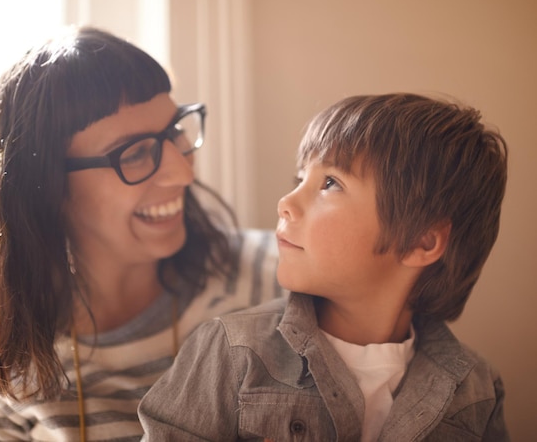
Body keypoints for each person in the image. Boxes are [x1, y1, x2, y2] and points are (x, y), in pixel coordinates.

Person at [0, 26, 282, 441]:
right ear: (48, 187)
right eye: (135, 153)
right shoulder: (1, 380)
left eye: (175, 132)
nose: (183, 172)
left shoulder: (279, 279)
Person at [138, 93, 510, 441]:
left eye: (330, 183)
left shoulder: (477, 390)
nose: (286, 201)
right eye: (301, 179)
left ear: (421, 243)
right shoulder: (231, 352)